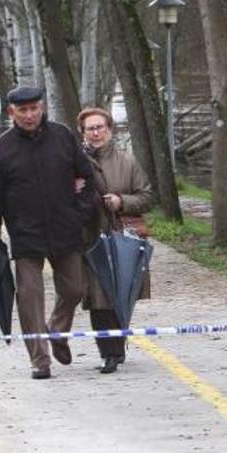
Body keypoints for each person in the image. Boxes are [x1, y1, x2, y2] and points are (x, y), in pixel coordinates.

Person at [0, 86, 97, 380]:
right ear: (11, 113)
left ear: (42, 108)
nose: (30, 115)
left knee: (74, 290)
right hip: (25, 235)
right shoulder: (1, 149)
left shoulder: (63, 136)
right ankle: (40, 360)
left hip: (65, 229)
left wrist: (79, 214)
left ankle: (57, 332)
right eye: (23, 111)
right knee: (29, 297)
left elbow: (88, 176)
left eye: (34, 109)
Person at [77, 107, 154, 374]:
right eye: (90, 128)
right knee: (98, 298)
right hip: (90, 240)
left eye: (100, 127)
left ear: (109, 129)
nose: (96, 133)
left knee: (122, 293)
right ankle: (108, 353)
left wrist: (122, 202)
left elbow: (147, 197)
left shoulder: (128, 162)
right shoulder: (75, 163)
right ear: (83, 133)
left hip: (123, 238)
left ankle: (118, 346)